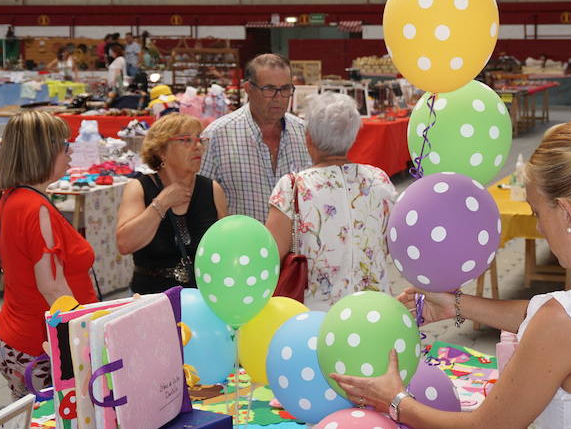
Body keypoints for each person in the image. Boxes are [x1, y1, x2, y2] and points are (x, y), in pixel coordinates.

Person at [331, 121, 571, 429]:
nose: (540, 228)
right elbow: (568, 322)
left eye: (537, 213)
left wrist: (396, 401)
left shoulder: (567, 322)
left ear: (567, 214)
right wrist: (456, 305)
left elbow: (485, 428)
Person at [0, 111, 97, 400]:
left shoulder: (14, 198)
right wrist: (91, 335)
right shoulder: (34, 208)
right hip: (40, 344)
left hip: (23, 336)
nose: (69, 150)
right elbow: (53, 289)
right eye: (64, 144)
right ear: (42, 151)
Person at [265, 93, 395, 310]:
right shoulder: (378, 179)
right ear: (353, 137)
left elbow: (268, 257)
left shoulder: (293, 187)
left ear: (309, 138)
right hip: (375, 311)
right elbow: (388, 244)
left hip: (316, 318)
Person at [115, 113, 228, 294]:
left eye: (200, 140)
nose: (197, 146)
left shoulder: (212, 189)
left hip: (203, 298)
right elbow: (125, 244)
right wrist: (161, 203)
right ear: (161, 151)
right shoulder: (139, 188)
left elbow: (225, 249)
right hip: (149, 298)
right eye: (186, 140)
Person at [200, 53, 311, 222]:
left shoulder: (305, 134)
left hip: (297, 246)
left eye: (286, 89)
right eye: (269, 89)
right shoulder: (216, 136)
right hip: (241, 246)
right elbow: (200, 200)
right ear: (248, 89)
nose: (279, 98)